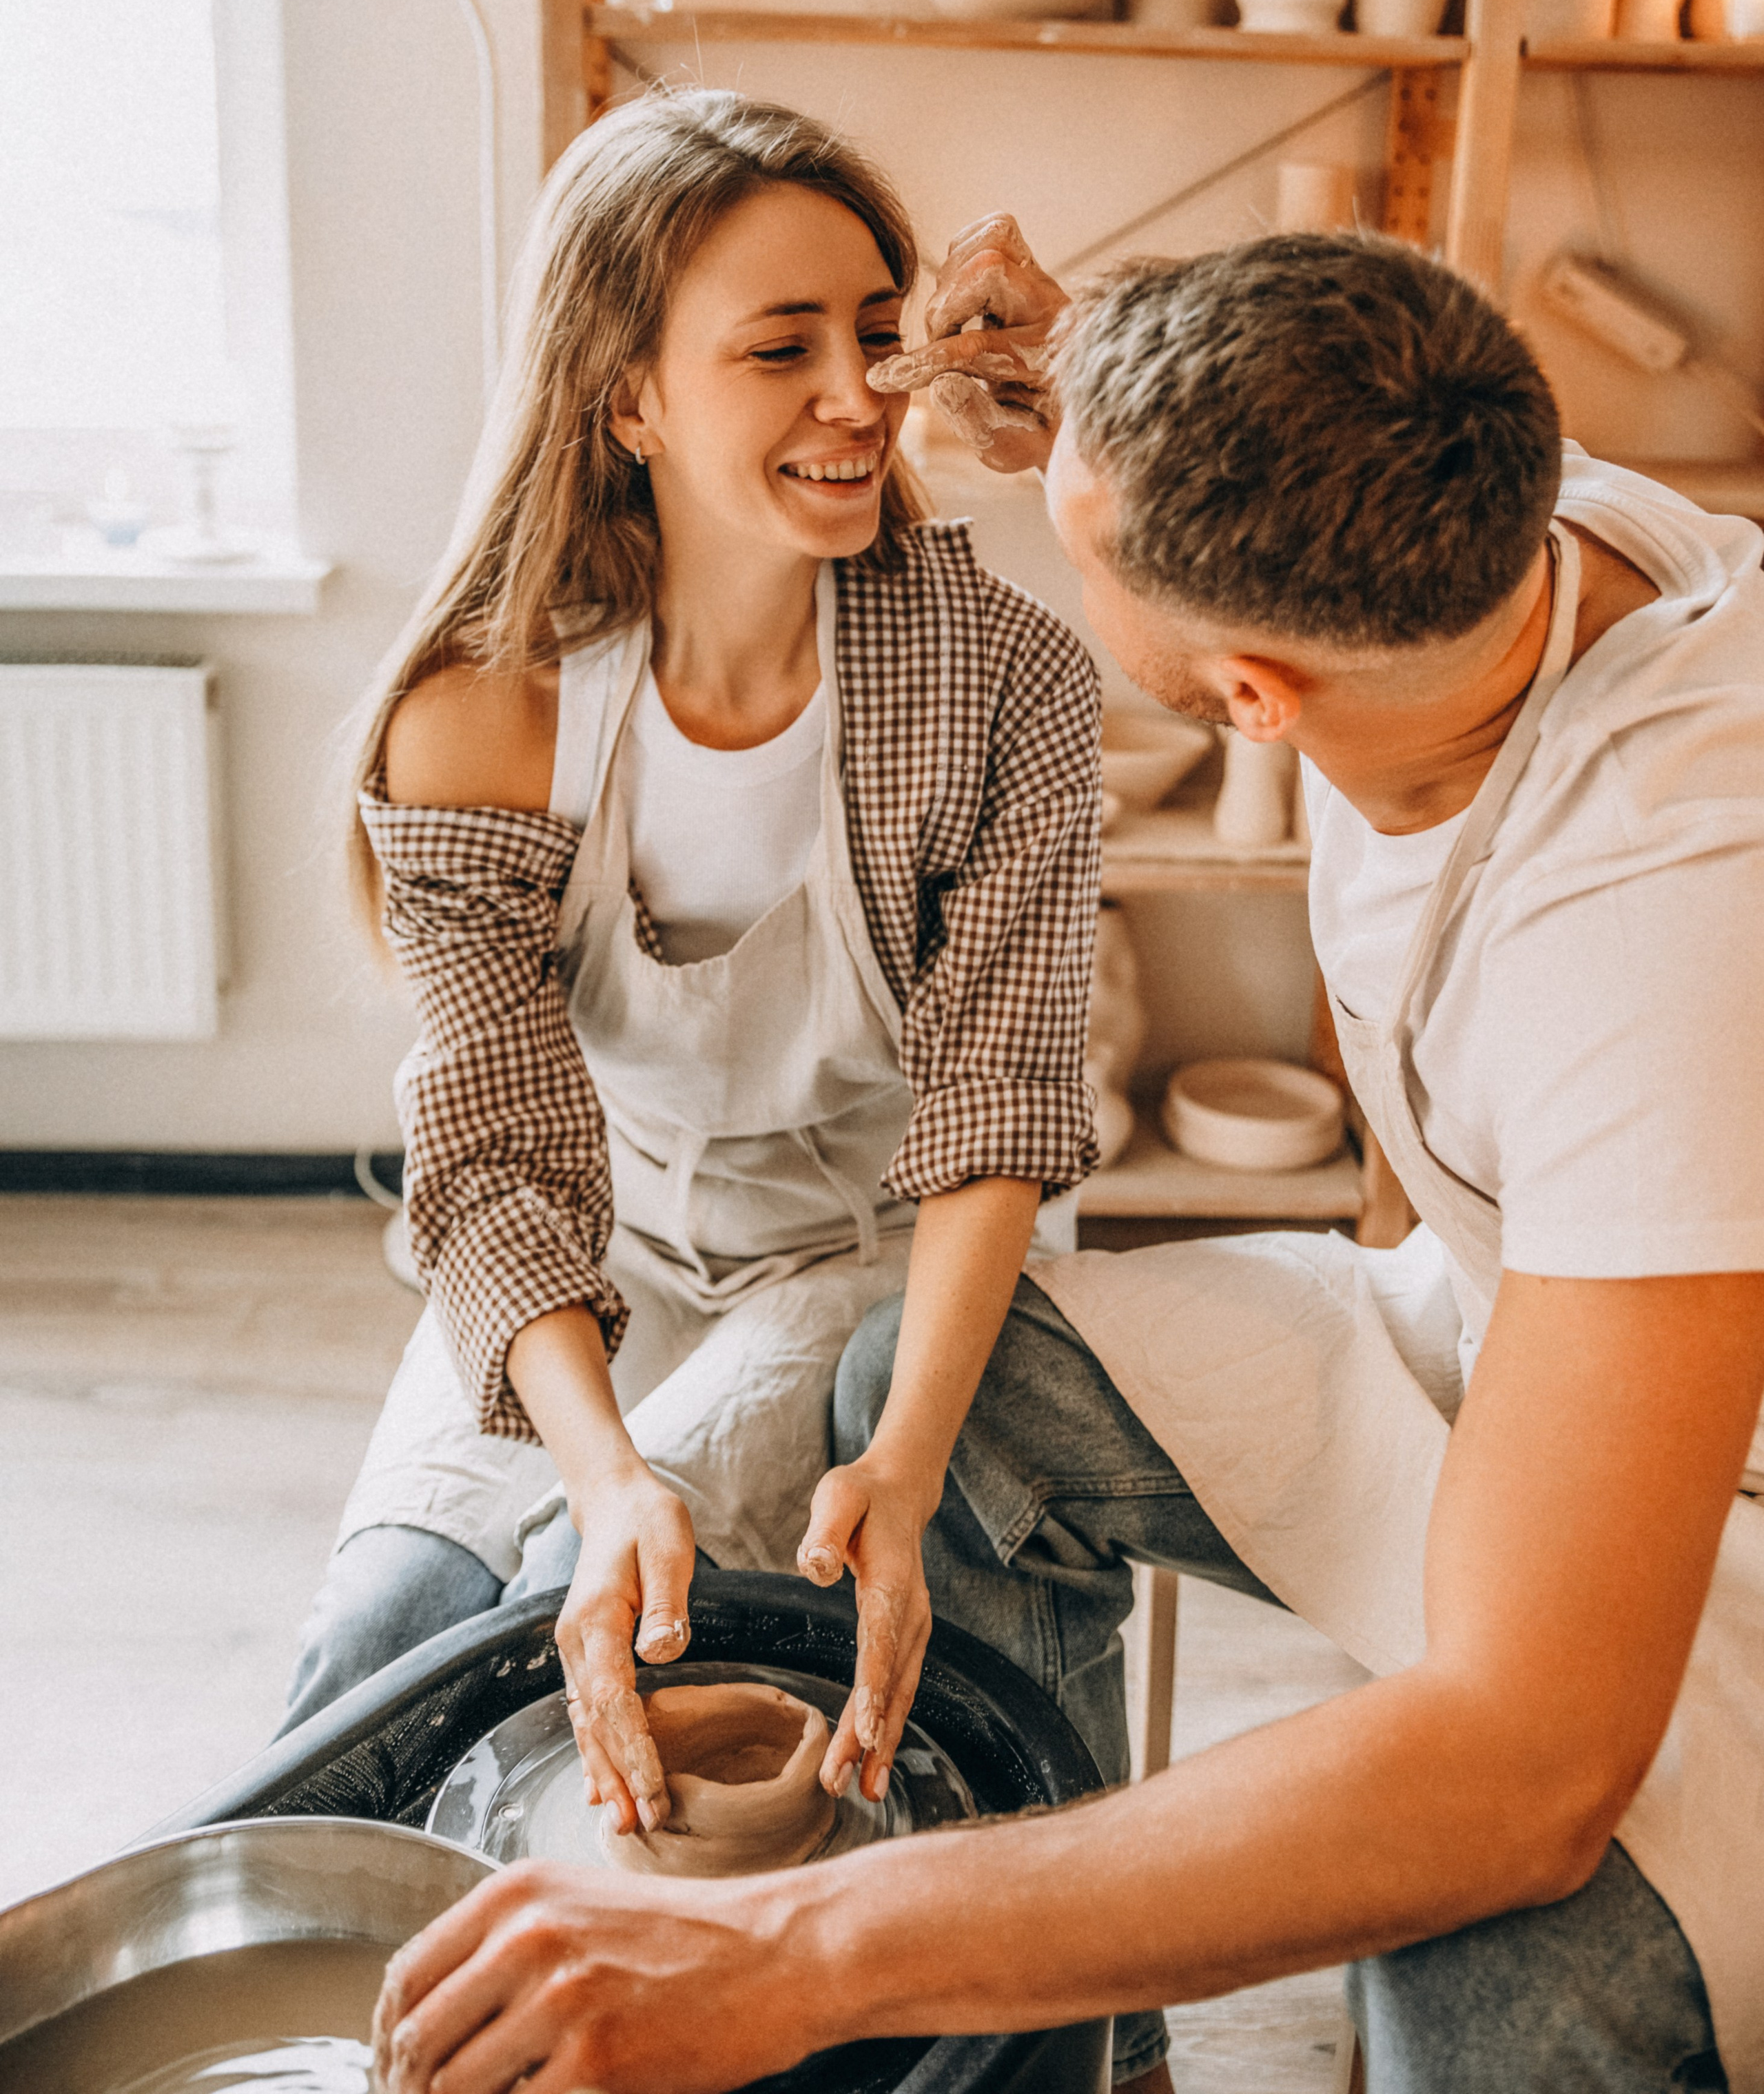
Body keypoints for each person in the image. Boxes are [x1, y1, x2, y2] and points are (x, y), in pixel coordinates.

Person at [371, 218, 1764, 2094]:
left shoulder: (1662, 927)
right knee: (947, 1393)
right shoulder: (1482, 499)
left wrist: (797, 1951)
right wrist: (1079, 383)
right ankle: (1092, 2051)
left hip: (1710, 1495)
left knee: (1489, 1951)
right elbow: (1253, 411)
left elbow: (1522, 1772)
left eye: (1077, 534)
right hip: (1516, 1320)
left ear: (1246, 703)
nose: (1019, 498)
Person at [284, 107, 1102, 1847]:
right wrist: (599, 1467)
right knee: (382, 1651)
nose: (857, 395)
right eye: (777, 348)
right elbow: (499, 1168)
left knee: (605, 1614)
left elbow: (997, 1106)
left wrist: (899, 1460)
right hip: (600, 1254)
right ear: (626, 397)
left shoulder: (1004, 684)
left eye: (874, 333)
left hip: (880, 1257)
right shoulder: (482, 717)